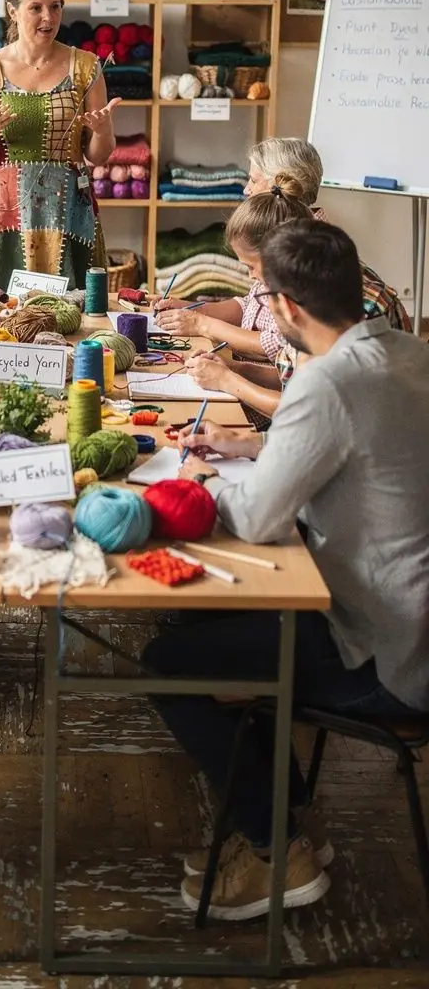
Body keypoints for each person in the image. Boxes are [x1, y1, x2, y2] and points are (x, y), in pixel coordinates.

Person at [145, 220, 429, 921]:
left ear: (288, 308)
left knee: (166, 660)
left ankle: (278, 850)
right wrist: (246, 447)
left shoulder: (327, 383)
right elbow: (345, 457)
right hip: (409, 620)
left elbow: (260, 519)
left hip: (385, 655)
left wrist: (198, 480)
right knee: (230, 628)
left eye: (264, 300)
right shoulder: (408, 354)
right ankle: (292, 821)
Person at [0, 0, 121, 289]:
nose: (48, 17)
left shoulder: (86, 67)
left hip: (67, 211)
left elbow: (98, 157)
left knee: (70, 318)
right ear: (12, 11)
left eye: (55, 6)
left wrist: (102, 130)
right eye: (36, 7)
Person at [245, 136, 410, 330]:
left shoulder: (308, 257)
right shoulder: (286, 240)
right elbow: (255, 306)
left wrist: (206, 326)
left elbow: (286, 344)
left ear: (281, 187)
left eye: (254, 180)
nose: (246, 189)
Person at [183, 184, 313, 420]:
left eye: (251, 267)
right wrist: (231, 368)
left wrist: (227, 380)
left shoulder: (315, 314)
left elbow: (301, 411)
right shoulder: (296, 295)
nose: (251, 276)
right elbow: (289, 375)